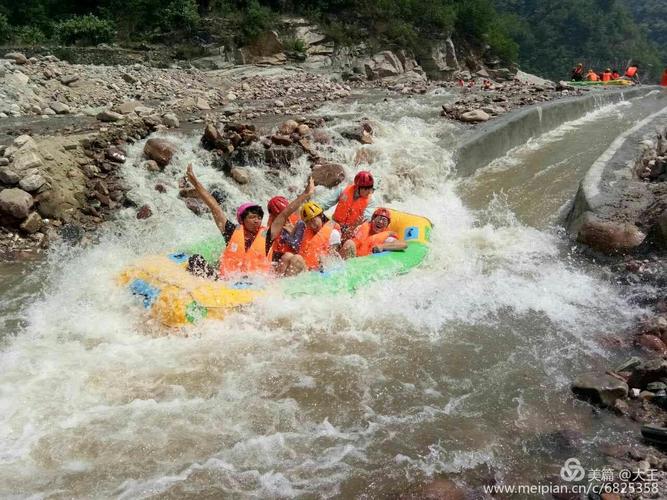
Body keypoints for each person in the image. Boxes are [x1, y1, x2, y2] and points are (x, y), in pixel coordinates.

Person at [185, 164, 312, 278]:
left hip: (255, 285)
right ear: (243, 220)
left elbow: (284, 214)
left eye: (258, 218)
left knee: (291, 258)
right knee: (195, 260)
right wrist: (196, 183)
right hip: (227, 283)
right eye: (252, 217)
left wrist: (305, 194)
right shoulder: (231, 231)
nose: (257, 221)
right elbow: (215, 208)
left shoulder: (266, 236)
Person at [316, 170, 377, 242]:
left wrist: (354, 227)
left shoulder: (371, 201)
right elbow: (325, 203)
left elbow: (366, 220)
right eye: (366, 189)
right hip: (336, 224)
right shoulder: (343, 190)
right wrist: (315, 209)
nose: (369, 192)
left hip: (353, 229)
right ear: (357, 187)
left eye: (371, 188)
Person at [341, 208, 407, 259]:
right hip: (352, 257)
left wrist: (382, 246)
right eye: (379, 219)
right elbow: (345, 241)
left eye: (384, 220)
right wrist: (353, 227)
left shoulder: (387, 237)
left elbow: (403, 245)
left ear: (387, 225)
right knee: (349, 243)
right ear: (373, 219)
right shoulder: (361, 227)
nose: (380, 222)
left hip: (365, 262)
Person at [298, 201, 343, 270]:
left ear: (321, 215)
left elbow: (332, 258)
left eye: (313, 221)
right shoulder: (307, 233)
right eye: (308, 223)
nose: (312, 225)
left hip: (325, 270)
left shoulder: (333, 233)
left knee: (322, 257)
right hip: (309, 269)